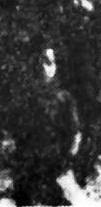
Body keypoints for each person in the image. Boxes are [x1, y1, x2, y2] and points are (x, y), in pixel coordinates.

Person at [11, 47, 83, 206]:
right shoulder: (27, 97)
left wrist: (68, 158)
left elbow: (75, 133)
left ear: (56, 66)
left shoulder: (64, 98)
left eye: (49, 62)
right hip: (30, 163)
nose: (44, 67)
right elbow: (18, 130)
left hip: (54, 163)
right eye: (41, 62)